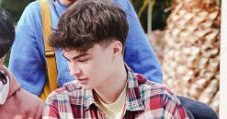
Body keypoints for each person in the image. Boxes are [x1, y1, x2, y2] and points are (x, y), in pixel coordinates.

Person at [38, 0, 217, 119]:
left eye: (82, 60)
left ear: (115, 49)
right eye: (68, 60)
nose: (73, 71)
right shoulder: (59, 105)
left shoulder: (161, 102)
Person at [9, 0, 163, 99]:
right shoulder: (37, 14)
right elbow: (23, 92)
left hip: (123, 112)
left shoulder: (117, 4)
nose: (73, 70)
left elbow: (147, 71)